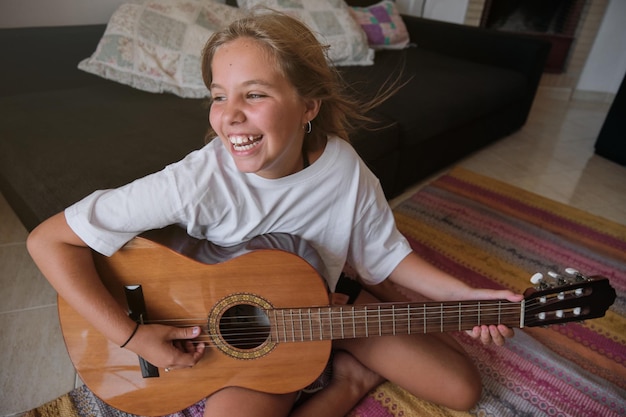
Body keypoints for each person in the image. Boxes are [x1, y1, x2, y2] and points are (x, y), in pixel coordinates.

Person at [27, 10, 523, 417]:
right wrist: (133, 335)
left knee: (461, 389)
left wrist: (467, 294)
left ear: (308, 105)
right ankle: (346, 382)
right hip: (236, 343)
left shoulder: (343, 169)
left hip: (325, 311)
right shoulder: (196, 181)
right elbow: (48, 241)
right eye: (219, 96)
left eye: (255, 93)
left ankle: (344, 342)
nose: (229, 115)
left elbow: (384, 257)